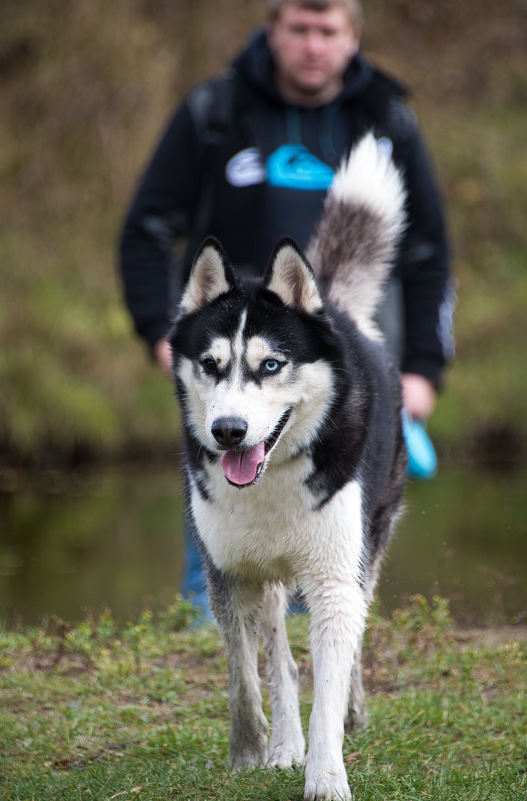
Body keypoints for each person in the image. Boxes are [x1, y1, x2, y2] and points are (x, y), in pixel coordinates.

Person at [118, 0, 454, 619]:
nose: (313, 45)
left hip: (349, 366)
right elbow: (148, 228)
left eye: (328, 31)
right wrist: (159, 331)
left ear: (353, 36)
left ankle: (318, 686)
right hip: (230, 368)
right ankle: (216, 654)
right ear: (272, 30)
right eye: (299, 28)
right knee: (225, 562)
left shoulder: (387, 122)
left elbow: (428, 253)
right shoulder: (215, 113)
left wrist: (424, 369)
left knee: (330, 574)